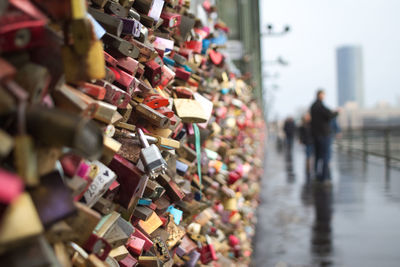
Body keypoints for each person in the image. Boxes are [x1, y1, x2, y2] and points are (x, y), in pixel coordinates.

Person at [310, 89, 339, 182]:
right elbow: (329, 115)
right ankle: (325, 176)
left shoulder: (313, 106)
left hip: (315, 134)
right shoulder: (321, 106)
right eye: (323, 94)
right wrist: (337, 112)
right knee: (326, 156)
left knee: (318, 156)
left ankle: (317, 174)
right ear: (321, 95)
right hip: (324, 134)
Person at [299, 112, 313, 179]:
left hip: (312, 141)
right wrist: (301, 140)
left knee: (311, 155)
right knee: (307, 155)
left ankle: (310, 167)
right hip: (307, 142)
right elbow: (301, 134)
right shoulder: (303, 125)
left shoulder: (312, 124)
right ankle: (308, 168)